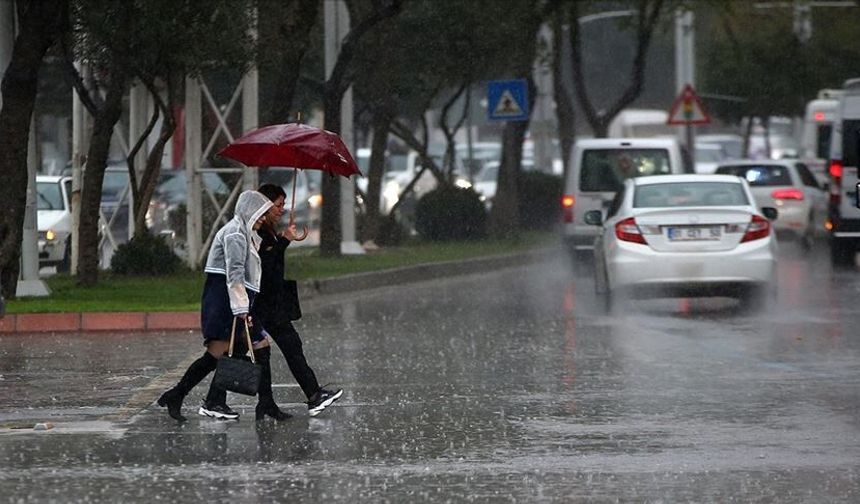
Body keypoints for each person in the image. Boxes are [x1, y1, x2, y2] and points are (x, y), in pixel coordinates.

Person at [157, 190, 274, 422]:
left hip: (231, 300)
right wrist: (242, 310)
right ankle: (189, 396)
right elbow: (235, 274)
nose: (263, 219)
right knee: (218, 353)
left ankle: (212, 399)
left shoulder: (244, 233)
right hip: (225, 301)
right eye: (261, 214)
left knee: (247, 349)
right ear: (249, 211)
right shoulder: (235, 235)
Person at [255, 183, 343, 417]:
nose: (282, 209)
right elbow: (265, 266)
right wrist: (283, 241)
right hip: (264, 303)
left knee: (271, 352)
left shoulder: (268, 231)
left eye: (283, 204)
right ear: (264, 205)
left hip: (270, 302)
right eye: (278, 205)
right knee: (282, 348)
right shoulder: (259, 231)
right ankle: (312, 395)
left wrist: (284, 239)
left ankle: (268, 403)